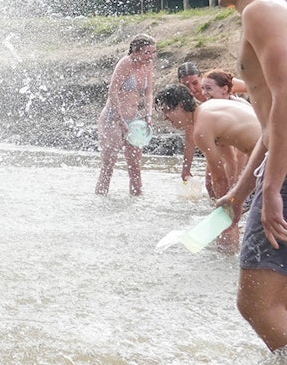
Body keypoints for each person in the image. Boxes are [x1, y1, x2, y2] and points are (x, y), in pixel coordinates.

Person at [204, 0, 287, 351]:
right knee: (277, 297)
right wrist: (242, 189)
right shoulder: (264, 12)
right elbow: (271, 121)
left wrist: (270, 188)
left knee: (256, 303)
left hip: (285, 172)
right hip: (279, 160)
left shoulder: (261, 12)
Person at [156, 84, 259, 251]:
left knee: (230, 215)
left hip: (270, 155)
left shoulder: (201, 129)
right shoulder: (209, 108)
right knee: (233, 211)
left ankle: (227, 254)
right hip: (273, 148)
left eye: (167, 110)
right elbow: (230, 160)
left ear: (181, 106)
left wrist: (224, 211)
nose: (165, 117)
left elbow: (219, 177)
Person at [96, 35, 156, 196]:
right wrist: (120, 118)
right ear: (136, 51)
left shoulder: (148, 65)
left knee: (135, 166)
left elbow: (149, 92)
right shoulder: (126, 63)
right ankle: (100, 202)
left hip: (133, 120)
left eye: (153, 52)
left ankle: (136, 207)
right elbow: (112, 91)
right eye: (147, 53)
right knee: (109, 165)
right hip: (112, 118)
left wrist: (148, 115)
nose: (150, 57)